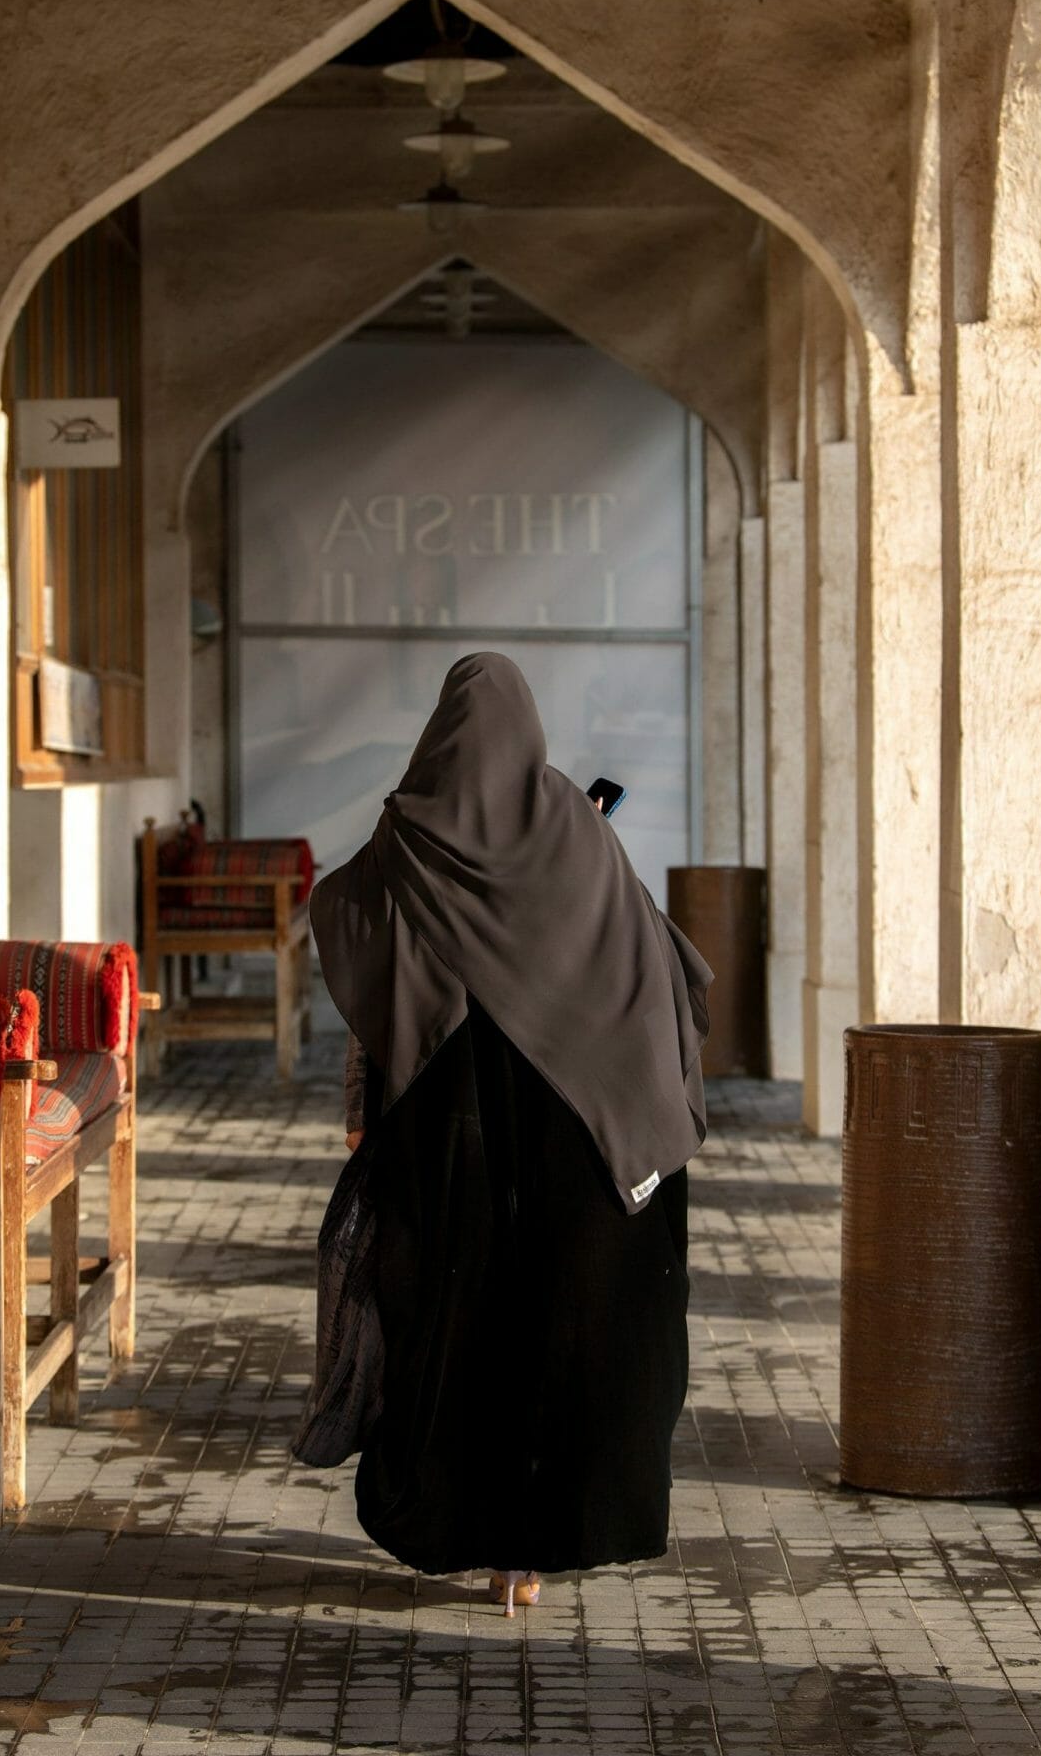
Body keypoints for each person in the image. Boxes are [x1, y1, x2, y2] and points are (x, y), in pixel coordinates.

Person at [301, 651, 712, 1615]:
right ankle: (541, 1546)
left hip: (460, 1147)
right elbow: (656, 965)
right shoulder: (575, 827)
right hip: (585, 1138)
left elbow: (356, 936)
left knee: (464, 1333)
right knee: (571, 1337)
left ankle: (482, 1537)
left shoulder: (406, 835)